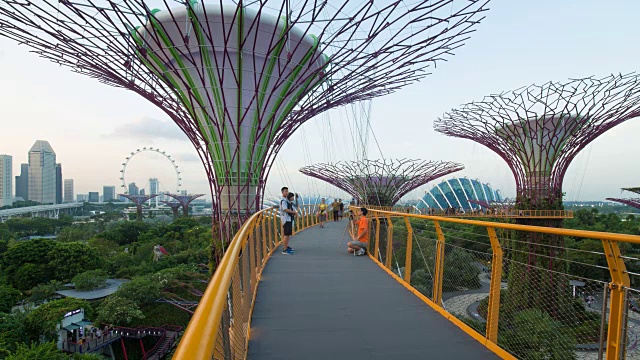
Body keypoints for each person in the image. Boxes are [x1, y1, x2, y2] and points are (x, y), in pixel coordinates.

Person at [280, 187, 297, 255]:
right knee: (286, 234)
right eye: (285, 191)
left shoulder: (286, 200)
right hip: (286, 219)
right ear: (282, 192)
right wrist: (294, 213)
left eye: (287, 191)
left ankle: (286, 246)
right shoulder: (283, 201)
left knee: (288, 234)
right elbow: (285, 209)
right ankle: (284, 250)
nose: (287, 192)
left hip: (288, 219)